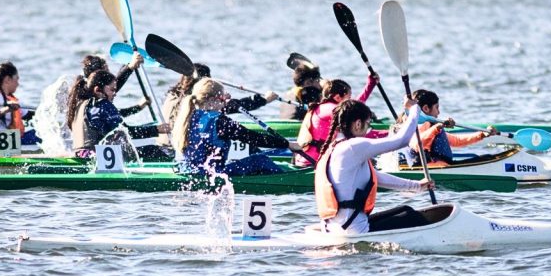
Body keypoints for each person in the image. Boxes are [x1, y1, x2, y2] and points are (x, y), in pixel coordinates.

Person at [315, 99, 435, 234]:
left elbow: (375, 177)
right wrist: (415, 110)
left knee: (405, 210)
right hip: (351, 231)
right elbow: (402, 140)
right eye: (368, 124)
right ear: (358, 124)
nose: (368, 130)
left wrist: (417, 186)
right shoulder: (353, 146)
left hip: (335, 228)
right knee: (413, 217)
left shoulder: (335, 147)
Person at [171, 78, 303, 176]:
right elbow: (253, 138)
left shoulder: (186, 116)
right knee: (260, 160)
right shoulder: (220, 121)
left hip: (186, 170)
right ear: (212, 100)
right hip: (212, 174)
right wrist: (287, 144)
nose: (224, 105)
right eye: (223, 100)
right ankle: (287, 179)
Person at [68, 70, 170, 160]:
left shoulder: (80, 103)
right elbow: (127, 132)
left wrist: (138, 108)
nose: (115, 93)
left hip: (81, 155)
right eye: (112, 90)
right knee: (155, 150)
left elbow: (116, 120)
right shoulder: (103, 104)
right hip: (97, 157)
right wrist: (156, 129)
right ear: (98, 90)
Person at [294, 75, 388, 167]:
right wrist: (390, 134)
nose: (351, 100)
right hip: (312, 164)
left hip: (303, 160)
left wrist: (370, 84)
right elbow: (360, 130)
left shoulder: (325, 107)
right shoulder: (333, 110)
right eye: (349, 97)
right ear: (338, 97)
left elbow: (355, 108)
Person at [162, 62, 278, 128]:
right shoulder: (198, 101)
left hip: (167, 144)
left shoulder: (172, 95)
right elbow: (235, 106)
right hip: (175, 150)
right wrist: (264, 99)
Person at [409, 89, 499, 167]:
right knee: (488, 159)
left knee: (487, 157)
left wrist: (482, 134)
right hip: (431, 169)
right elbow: (417, 144)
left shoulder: (432, 126)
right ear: (426, 109)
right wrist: (438, 126)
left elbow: (457, 141)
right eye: (437, 107)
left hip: (445, 166)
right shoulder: (417, 125)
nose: (439, 112)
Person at [66, 53, 145, 129]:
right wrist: (130, 67)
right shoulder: (92, 99)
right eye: (107, 72)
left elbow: (112, 115)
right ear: (98, 76)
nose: (110, 75)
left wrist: (138, 108)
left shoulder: (85, 92)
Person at [0, 61, 41, 145]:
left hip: (10, 139)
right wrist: (3, 111)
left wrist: (45, 112)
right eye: (16, 79)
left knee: (44, 130)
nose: (18, 84)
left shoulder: (9, 98)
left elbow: (27, 115)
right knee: (44, 134)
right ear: (8, 80)